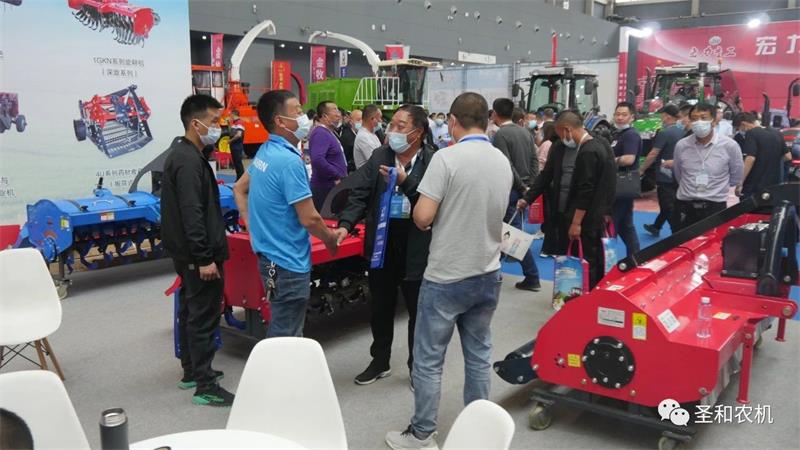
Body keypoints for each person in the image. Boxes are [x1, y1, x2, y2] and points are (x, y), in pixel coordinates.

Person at [385, 92, 512, 450]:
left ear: (452, 121)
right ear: (486, 119)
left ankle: (422, 434)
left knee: (428, 360)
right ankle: (479, 431)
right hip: (487, 271)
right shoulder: (500, 160)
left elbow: (423, 217)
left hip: (446, 275)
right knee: (479, 354)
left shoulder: (446, 158)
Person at [335, 105, 435, 387]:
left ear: (418, 132)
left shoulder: (434, 160)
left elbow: (433, 204)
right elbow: (360, 193)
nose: (393, 131)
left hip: (417, 244)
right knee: (380, 307)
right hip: (383, 243)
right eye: (392, 125)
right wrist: (345, 224)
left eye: (401, 126)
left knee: (418, 311)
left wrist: (406, 181)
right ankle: (380, 361)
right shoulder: (381, 154)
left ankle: (417, 368)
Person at [233, 90, 339, 338]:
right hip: (288, 263)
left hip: (269, 258)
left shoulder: (266, 151)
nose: (304, 117)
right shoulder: (289, 161)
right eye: (297, 111)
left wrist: (252, 228)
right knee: (287, 334)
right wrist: (330, 238)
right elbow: (309, 218)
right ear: (280, 121)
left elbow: (239, 188)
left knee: (282, 326)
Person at [161, 94, 234, 407]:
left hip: (188, 254)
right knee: (203, 316)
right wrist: (204, 258)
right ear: (195, 123)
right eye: (214, 121)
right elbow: (192, 213)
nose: (218, 127)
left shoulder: (187, 154)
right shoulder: (188, 161)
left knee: (192, 312)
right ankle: (205, 385)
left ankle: (192, 370)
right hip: (197, 256)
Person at [518, 111, 616, 289]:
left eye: (560, 133)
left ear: (567, 129)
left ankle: (588, 294)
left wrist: (580, 221)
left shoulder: (594, 148)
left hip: (588, 215)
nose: (560, 138)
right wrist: (528, 198)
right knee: (568, 256)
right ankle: (570, 292)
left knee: (588, 257)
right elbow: (546, 175)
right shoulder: (559, 147)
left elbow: (595, 186)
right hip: (563, 211)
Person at [492, 98, 540, 291]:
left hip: (511, 189)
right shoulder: (525, 132)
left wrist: (521, 187)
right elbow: (534, 159)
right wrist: (530, 186)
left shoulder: (501, 135)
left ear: (495, 114)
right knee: (509, 233)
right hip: (523, 187)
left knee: (511, 236)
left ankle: (532, 276)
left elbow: (506, 165)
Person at [673, 103, 744, 229]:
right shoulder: (682, 145)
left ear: (714, 120)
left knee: (713, 240)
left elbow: (736, 175)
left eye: (703, 117)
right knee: (681, 240)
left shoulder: (729, 146)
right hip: (685, 204)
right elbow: (679, 173)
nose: (698, 122)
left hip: (715, 206)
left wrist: (717, 187)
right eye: (694, 118)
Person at [640, 105, 684, 236]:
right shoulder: (682, 132)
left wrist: (642, 169)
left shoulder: (664, 133)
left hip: (665, 174)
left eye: (662, 116)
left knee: (667, 204)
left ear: (667, 116)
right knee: (671, 202)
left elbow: (654, 153)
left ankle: (678, 232)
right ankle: (656, 226)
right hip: (679, 173)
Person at [610, 102, 642, 257]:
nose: (620, 117)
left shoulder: (631, 135)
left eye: (624, 115)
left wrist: (610, 160)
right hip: (619, 184)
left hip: (622, 184)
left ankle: (608, 259)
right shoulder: (618, 134)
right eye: (617, 114)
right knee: (625, 225)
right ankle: (635, 257)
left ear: (632, 117)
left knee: (613, 224)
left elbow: (629, 159)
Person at [735, 112, 792, 197]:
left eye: (738, 128)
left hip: (754, 186)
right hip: (773, 185)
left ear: (744, 124)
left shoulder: (751, 133)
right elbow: (788, 156)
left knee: (749, 205)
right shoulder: (776, 133)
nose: (740, 131)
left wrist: (740, 183)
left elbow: (750, 158)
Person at [308, 101, 348, 210]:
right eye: (335, 110)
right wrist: (336, 175)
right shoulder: (320, 133)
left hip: (332, 186)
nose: (338, 114)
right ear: (325, 116)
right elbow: (317, 159)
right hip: (325, 188)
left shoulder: (328, 132)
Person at [353, 104, 384, 169]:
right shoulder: (363, 137)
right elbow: (377, 160)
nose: (381, 121)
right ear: (372, 119)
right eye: (379, 118)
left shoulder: (371, 134)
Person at [227, 109, 246, 180]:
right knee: (236, 163)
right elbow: (230, 132)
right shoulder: (234, 123)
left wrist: (230, 141)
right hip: (233, 146)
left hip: (237, 146)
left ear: (233, 114)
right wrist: (229, 124)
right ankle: (238, 178)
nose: (230, 116)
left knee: (238, 163)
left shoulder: (239, 123)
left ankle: (241, 178)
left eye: (230, 115)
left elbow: (239, 135)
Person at [340, 108, 359, 172]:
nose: (361, 122)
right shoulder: (346, 137)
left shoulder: (361, 134)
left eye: (362, 119)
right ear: (351, 121)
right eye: (358, 120)